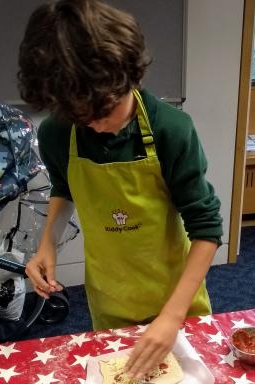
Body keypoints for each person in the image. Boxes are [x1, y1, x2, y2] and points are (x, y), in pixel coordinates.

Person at [17, 0, 222, 380]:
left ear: (130, 75)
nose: (96, 126)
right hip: (110, 295)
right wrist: (48, 242)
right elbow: (64, 188)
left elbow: (207, 228)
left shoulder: (172, 130)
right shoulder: (58, 133)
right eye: (82, 117)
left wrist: (172, 316)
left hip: (177, 295)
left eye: (106, 110)